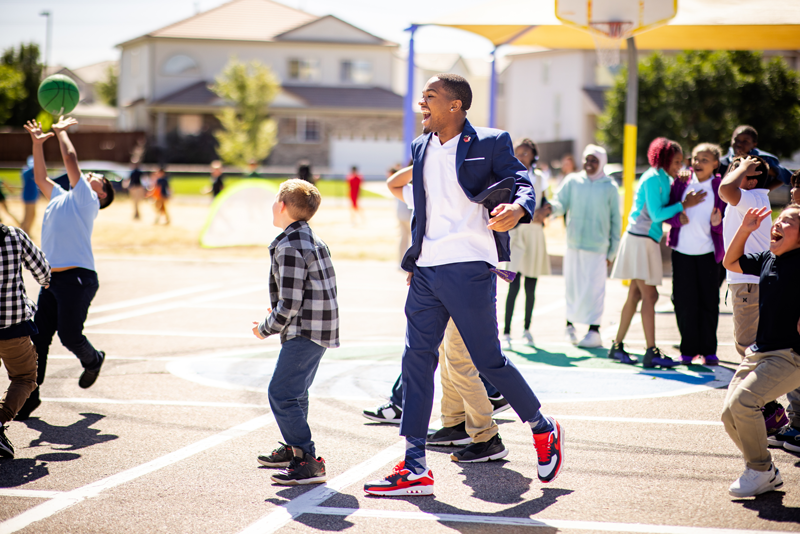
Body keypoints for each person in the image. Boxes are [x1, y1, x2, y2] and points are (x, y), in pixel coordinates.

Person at [362, 74, 563, 497]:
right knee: (416, 361)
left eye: (430, 98)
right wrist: (416, 259)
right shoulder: (421, 146)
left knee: (488, 360)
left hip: (470, 265)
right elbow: (423, 206)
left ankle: (543, 428)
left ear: (455, 105)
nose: (422, 104)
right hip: (427, 270)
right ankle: (414, 463)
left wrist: (518, 208)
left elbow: (522, 181)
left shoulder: (491, 141)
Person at [17, 117, 115, 420]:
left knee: (70, 336)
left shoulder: (86, 201)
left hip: (78, 279)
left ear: (100, 195)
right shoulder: (62, 197)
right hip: (52, 280)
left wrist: (61, 133)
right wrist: (37, 143)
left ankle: (93, 359)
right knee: (39, 338)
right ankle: (31, 396)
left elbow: (71, 159)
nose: (91, 175)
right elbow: (40, 178)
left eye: (97, 178)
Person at [252, 179, 339, 485]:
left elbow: (290, 302)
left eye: (277, 199)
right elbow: (303, 293)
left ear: (282, 206)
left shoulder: (289, 246)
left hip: (306, 330)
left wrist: (266, 328)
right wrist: (280, 313)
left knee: (281, 392)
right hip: (316, 326)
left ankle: (308, 460)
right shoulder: (310, 239)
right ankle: (294, 448)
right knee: (297, 392)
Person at [721, 204, 800, 498]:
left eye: (787, 221)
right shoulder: (768, 257)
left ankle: (758, 468)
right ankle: (766, 473)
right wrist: (745, 229)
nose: (777, 223)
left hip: (790, 356)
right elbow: (731, 261)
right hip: (759, 352)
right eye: (777, 219)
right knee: (730, 416)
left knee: (743, 404)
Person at [609, 138, 706, 368]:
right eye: (676, 161)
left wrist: (681, 189)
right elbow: (655, 213)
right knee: (650, 296)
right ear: (663, 159)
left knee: (635, 295)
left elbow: (667, 204)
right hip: (639, 239)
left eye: (681, 162)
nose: (679, 166)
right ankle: (650, 351)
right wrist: (685, 204)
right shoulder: (653, 178)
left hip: (645, 240)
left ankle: (617, 347)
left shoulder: (664, 178)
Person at [549, 144, 621, 348]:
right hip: (573, 245)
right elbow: (559, 203)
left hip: (598, 248)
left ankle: (594, 331)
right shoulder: (573, 181)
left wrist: (612, 251)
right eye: (587, 159)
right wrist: (547, 209)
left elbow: (616, 222)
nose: (589, 164)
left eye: (594, 161)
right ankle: (569, 326)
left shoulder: (610, 187)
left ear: (602, 163)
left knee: (594, 289)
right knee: (572, 287)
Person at [664, 143, 727, 366]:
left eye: (705, 159)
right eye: (696, 159)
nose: (698, 163)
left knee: (709, 302)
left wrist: (718, 224)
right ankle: (688, 350)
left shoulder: (720, 186)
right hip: (682, 253)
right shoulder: (681, 182)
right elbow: (668, 210)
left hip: (708, 254)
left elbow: (725, 224)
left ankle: (709, 350)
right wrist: (675, 219)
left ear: (715, 164)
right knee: (683, 302)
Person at [0, 222, 50, 458]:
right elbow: (42, 270)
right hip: (13, 327)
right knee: (25, 377)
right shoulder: (14, 236)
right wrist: (46, 281)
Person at [718, 156, 773, 359]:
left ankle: (752, 389)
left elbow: (725, 189)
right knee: (753, 344)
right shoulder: (752, 198)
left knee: (747, 346)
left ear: (751, 181)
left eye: (739, 172)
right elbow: (725, 188)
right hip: (750, 281)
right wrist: (741, 168)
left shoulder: (751, 199)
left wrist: (742, 167)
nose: (733, 174)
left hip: (748, 283)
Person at [502, 139, 550, 348]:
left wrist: (544, 211)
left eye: (525, 154)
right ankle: (506, 331)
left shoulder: (540, 178)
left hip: (535, 234)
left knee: (531, 285)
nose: (521, 157)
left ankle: (527, 329)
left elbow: (546, 202)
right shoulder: (510, 175)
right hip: (518, 233)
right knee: (513, 284)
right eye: (518, 153)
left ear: (533, 156)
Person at [717, 125, 792, 188]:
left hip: (751, 201)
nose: (739, 144)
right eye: (736, 140)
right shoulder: (723, 161)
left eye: (745, 141)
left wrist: (765, 190)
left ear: (754, 144)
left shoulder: (761, 160)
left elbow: (784, 176)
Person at [390, 165, 413, 264]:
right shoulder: (410, 186)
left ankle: (401, 261)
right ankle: (406, 262)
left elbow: (392, 184)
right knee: (411, 240)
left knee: (404, 239)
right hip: (407, 215)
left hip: (402, 215)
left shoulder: (404, 186)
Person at [20, 156, 39, 234]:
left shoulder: (32, 171)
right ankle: (24, 232)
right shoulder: (27, 171)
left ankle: (26, 231)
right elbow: (33, 168)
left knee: (32, 215)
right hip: (28, 196)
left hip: (32, 196)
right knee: (28, 216)